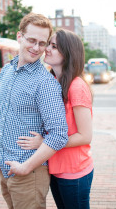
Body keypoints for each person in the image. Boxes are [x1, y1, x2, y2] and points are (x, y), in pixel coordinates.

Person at [0, 13, 68, 209]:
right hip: (5, 167)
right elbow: (3, 114)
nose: (36, 48)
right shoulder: (7, 71)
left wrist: (26, 167)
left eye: (42, 43)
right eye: (31, 40)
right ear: (19, 36)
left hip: (29, 173)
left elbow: (59, 135)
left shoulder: (45, 83)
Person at [17, 29, 94, 209]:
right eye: (48, 45)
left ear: (68, 53)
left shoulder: (76, 86)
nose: (47, 49)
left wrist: (45, 142)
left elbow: (85, 136)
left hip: (75, 172)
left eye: (54, 46)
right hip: (56, 169)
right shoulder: (52, 83)